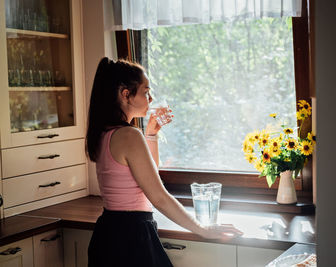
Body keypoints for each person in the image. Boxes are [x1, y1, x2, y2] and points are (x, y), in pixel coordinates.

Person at [86, 57, 243, 267]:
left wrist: (150, 135)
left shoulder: (105, 133)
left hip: (108, 234)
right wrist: (203, 229)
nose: (150, 99)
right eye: (145, 91)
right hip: (131, 237)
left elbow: (145, 179)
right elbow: (158, 196)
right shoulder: (129, 136)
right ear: (126, 94)